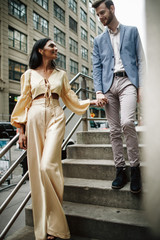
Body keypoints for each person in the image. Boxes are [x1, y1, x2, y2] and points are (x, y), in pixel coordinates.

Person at [11, 38, 97, 240]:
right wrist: (20, 131)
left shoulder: (61, 75)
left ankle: (56, 224)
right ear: (41, 50)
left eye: (55, 46)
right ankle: (50, 227)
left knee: (48, 166)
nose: (56, 48)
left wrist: (91, 101)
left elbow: (70, 98)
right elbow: (23, 102)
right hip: (33, 117)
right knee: (38, 173)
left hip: (56, 116)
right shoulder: (28, 75)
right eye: (51, 46)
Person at [92, 0, 146, 194]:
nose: (101, 17)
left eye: (103, 12)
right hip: (108, 87)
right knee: (114, 130)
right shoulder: (98, 40)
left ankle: (135, 168)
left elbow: (141, 60)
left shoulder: (132, 31)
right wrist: (98, 91)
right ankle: (120, 170)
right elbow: (96, 67)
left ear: (112, 9)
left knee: (127, 123)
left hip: (128, 82)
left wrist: (141, 87)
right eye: (98, 14)